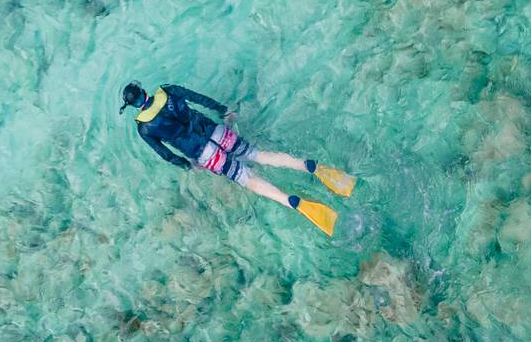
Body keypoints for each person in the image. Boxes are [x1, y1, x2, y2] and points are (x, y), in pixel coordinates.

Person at [119, 81, 356, 236]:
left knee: (246, 177)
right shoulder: (167, 90)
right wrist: (223, 110)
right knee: (259, 155)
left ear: (132, 106)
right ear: (144, 91)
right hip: (215, 131)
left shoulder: (144, 128)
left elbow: (165, 154)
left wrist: (186, 165)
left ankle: (292, 201)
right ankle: (310, 167)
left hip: (203, 153)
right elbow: (199, 98)